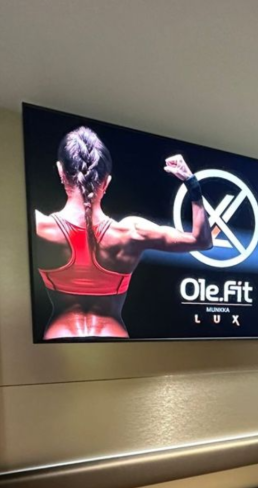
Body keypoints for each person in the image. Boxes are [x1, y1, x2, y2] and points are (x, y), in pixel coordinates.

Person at [35, 127, 213, 339]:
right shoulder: (132, 232)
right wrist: (192, 184)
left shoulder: (40, 227)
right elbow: (202, 240)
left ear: (61, 172)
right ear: (106, 182)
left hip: (58, 342)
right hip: (115, 343)